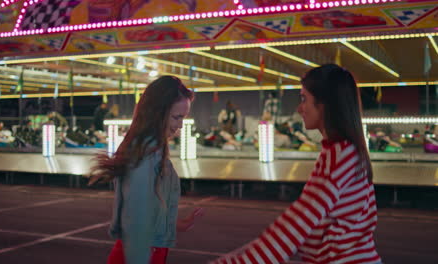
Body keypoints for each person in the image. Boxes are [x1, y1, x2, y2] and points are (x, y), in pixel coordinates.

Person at [211, 64, 381, 264]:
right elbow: (303, 221)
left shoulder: (340, 155)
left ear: (325, 103)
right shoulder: (340, 151)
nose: (299, 108)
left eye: (304, 99)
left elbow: (298, 222)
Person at [88, 76, 203, 264]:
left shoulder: (150, 149)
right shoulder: (144, 156)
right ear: (157, 113)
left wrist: (177, 224)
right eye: (177, 117)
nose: (180, 125)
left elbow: (151, 209)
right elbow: (137, 221)